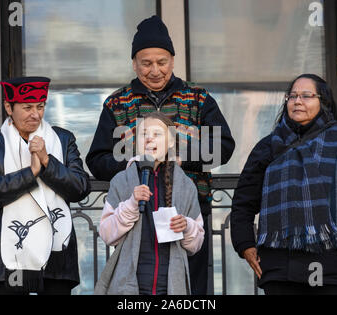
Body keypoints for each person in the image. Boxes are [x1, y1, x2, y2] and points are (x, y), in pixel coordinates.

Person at [86, 15, 235, 295]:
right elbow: (97, 160)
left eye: (162, 62)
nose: (155, 70)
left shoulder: (198, 98)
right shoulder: (117, 103)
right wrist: (134, 163)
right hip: (132, 219)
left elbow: (224, 146)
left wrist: (179, 156)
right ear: (134, 63)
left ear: (173, 61)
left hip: (187, 215)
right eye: (146, 63)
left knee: (190, 290)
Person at [230, 74, 337, 295]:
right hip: (280, 271)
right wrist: (245, 243)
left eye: (306, 96)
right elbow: (243, 201)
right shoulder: (267, 147)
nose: (297, 101)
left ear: (323, 101)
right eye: (292, 96)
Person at [0, 77, 91, 295]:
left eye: (40, 106)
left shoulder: (62, 139)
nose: (35, 114)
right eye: (27, 107)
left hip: (57, 254)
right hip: (11, 254)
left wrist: (47, 162)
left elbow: (80, 187)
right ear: (9, 107)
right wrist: (31, 173)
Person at [94, 112, 204, 295]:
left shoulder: (185, 185)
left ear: (170, 142)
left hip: (170, 286)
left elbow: (196, 243)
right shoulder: (121, 181)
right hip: (129, 285)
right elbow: (106, 233)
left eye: (157, 134)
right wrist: (131, 204)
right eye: (144, 134)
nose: (149, 138)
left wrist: (186, 226)